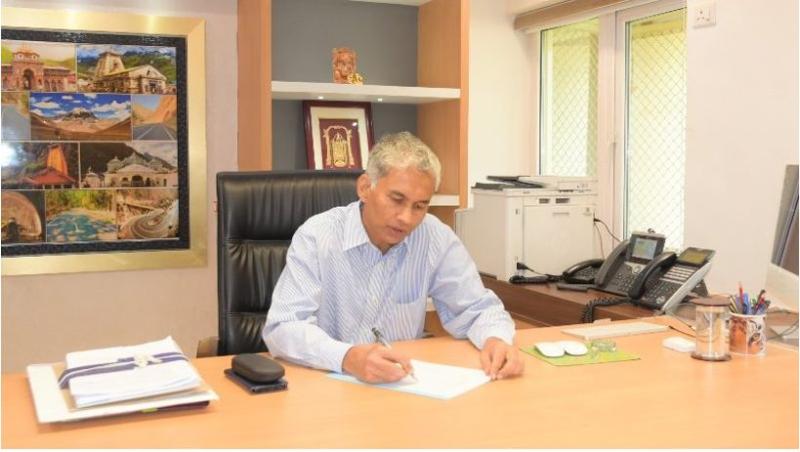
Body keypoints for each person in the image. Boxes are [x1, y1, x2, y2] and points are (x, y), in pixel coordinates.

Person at [263, 132, 524, 383]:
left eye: (420, 206)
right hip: (327, 383)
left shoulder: (434, 237)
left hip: (400, 385)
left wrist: (496, 339)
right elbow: (283, 327)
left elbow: (477, 308)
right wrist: (347, 357)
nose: (406, 218)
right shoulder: (318, 236)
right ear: (365, 187)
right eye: (397, 199)